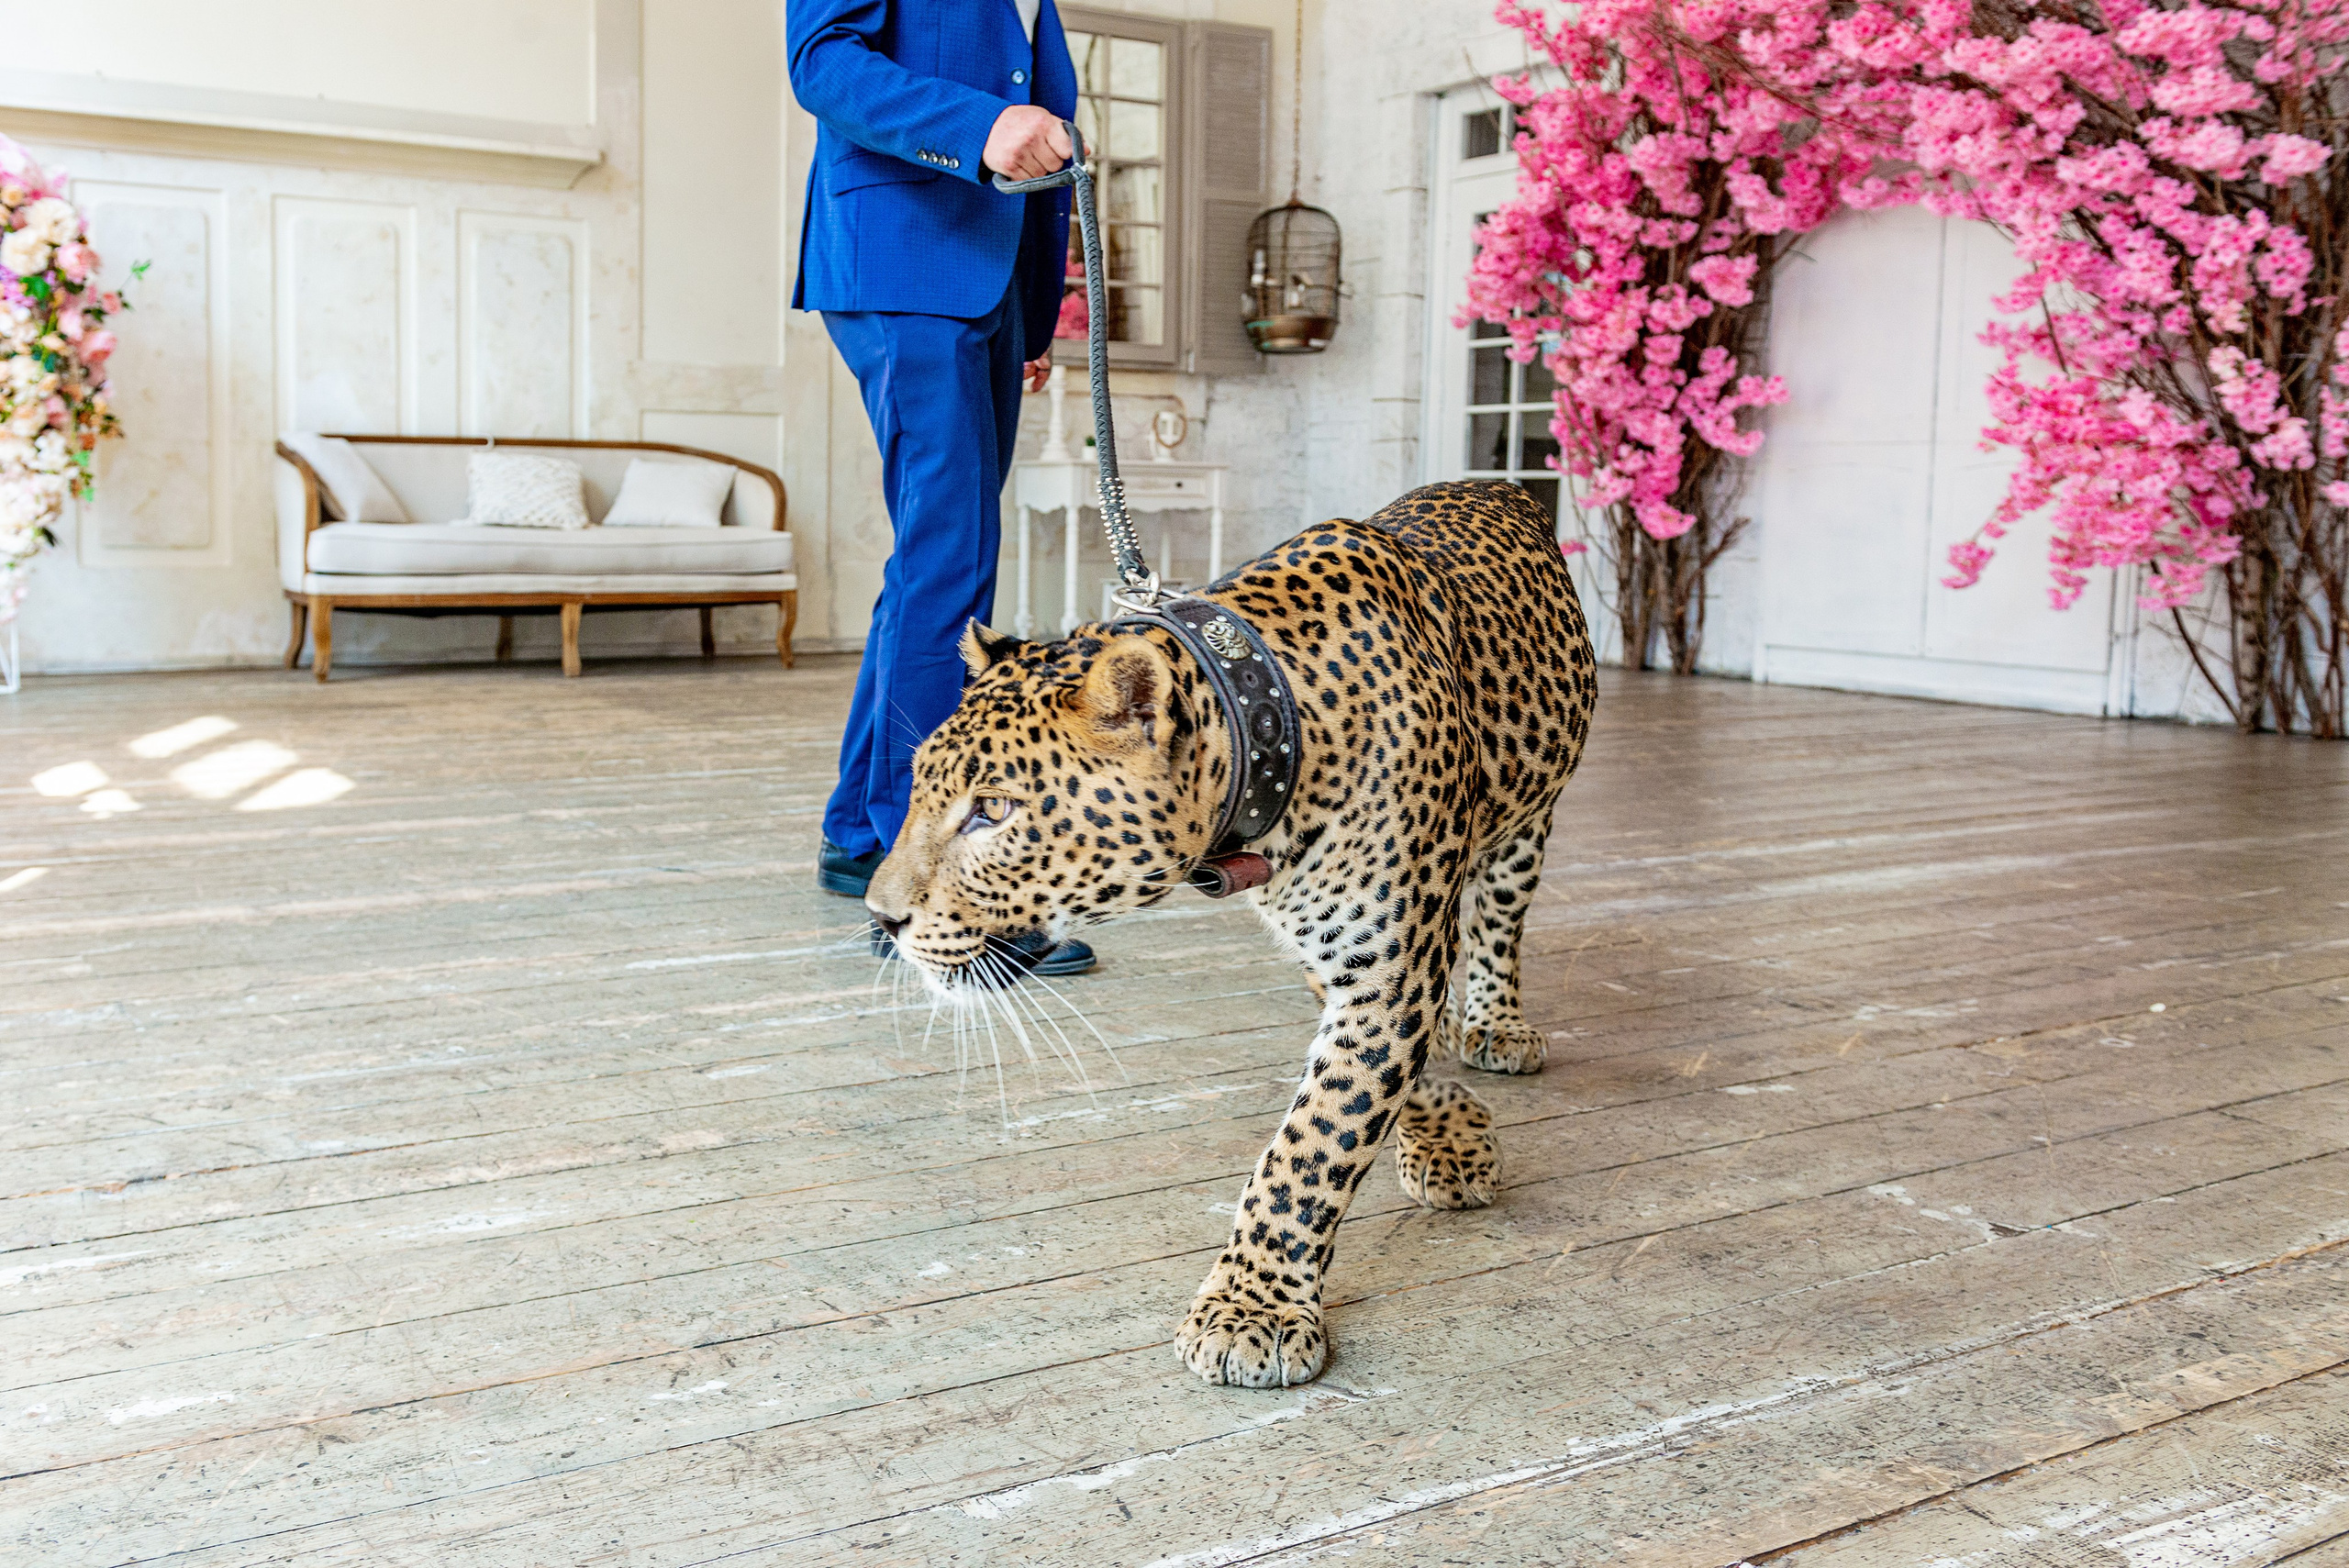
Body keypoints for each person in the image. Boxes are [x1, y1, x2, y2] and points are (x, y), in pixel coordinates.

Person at [787, 0, 1095, 974]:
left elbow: (1024, 96)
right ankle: (919, 877)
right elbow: (822, 64)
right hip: (906, 256)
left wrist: (1034, 312)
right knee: (952, 562)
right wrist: (983, 128)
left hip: (989, 282)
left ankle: (857, 829)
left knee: (934, 558)